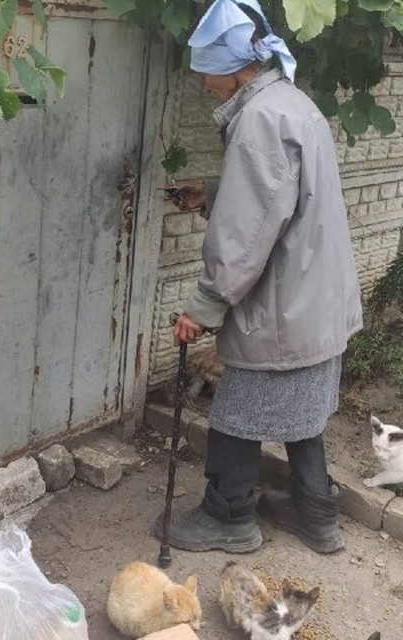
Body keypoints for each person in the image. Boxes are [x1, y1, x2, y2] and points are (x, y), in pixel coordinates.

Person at [155, 0, 363, 556]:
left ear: (233, 67)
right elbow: (283, 199)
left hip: (282, 309)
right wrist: (214, 192)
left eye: (206, 71)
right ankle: (316, 513)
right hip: (316, 301)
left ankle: (228, 516)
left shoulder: (258, 122)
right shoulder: (290, 103)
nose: (203, 84)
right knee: (302, 412)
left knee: (235, 414)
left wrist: (203, 307)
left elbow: (246, 235)